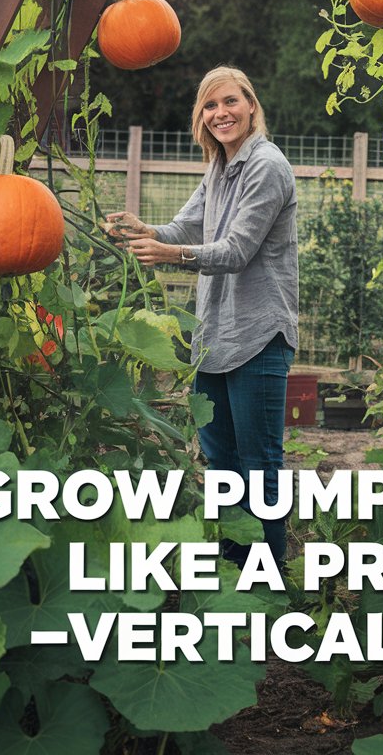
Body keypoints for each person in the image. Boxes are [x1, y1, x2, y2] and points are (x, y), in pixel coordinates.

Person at [106, 65, 298, 566]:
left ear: (251, 105)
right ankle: (235, 573)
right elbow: (185, 227)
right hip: (215, 336)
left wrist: (168, 257)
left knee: (260, 468)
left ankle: (270, 583)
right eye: (210, 106)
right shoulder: (219, 165)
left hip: (258, 333)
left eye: (230, 102)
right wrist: (140, 229)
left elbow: (236, 250)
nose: (221, 114)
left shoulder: (266, 166)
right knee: (222, 465)